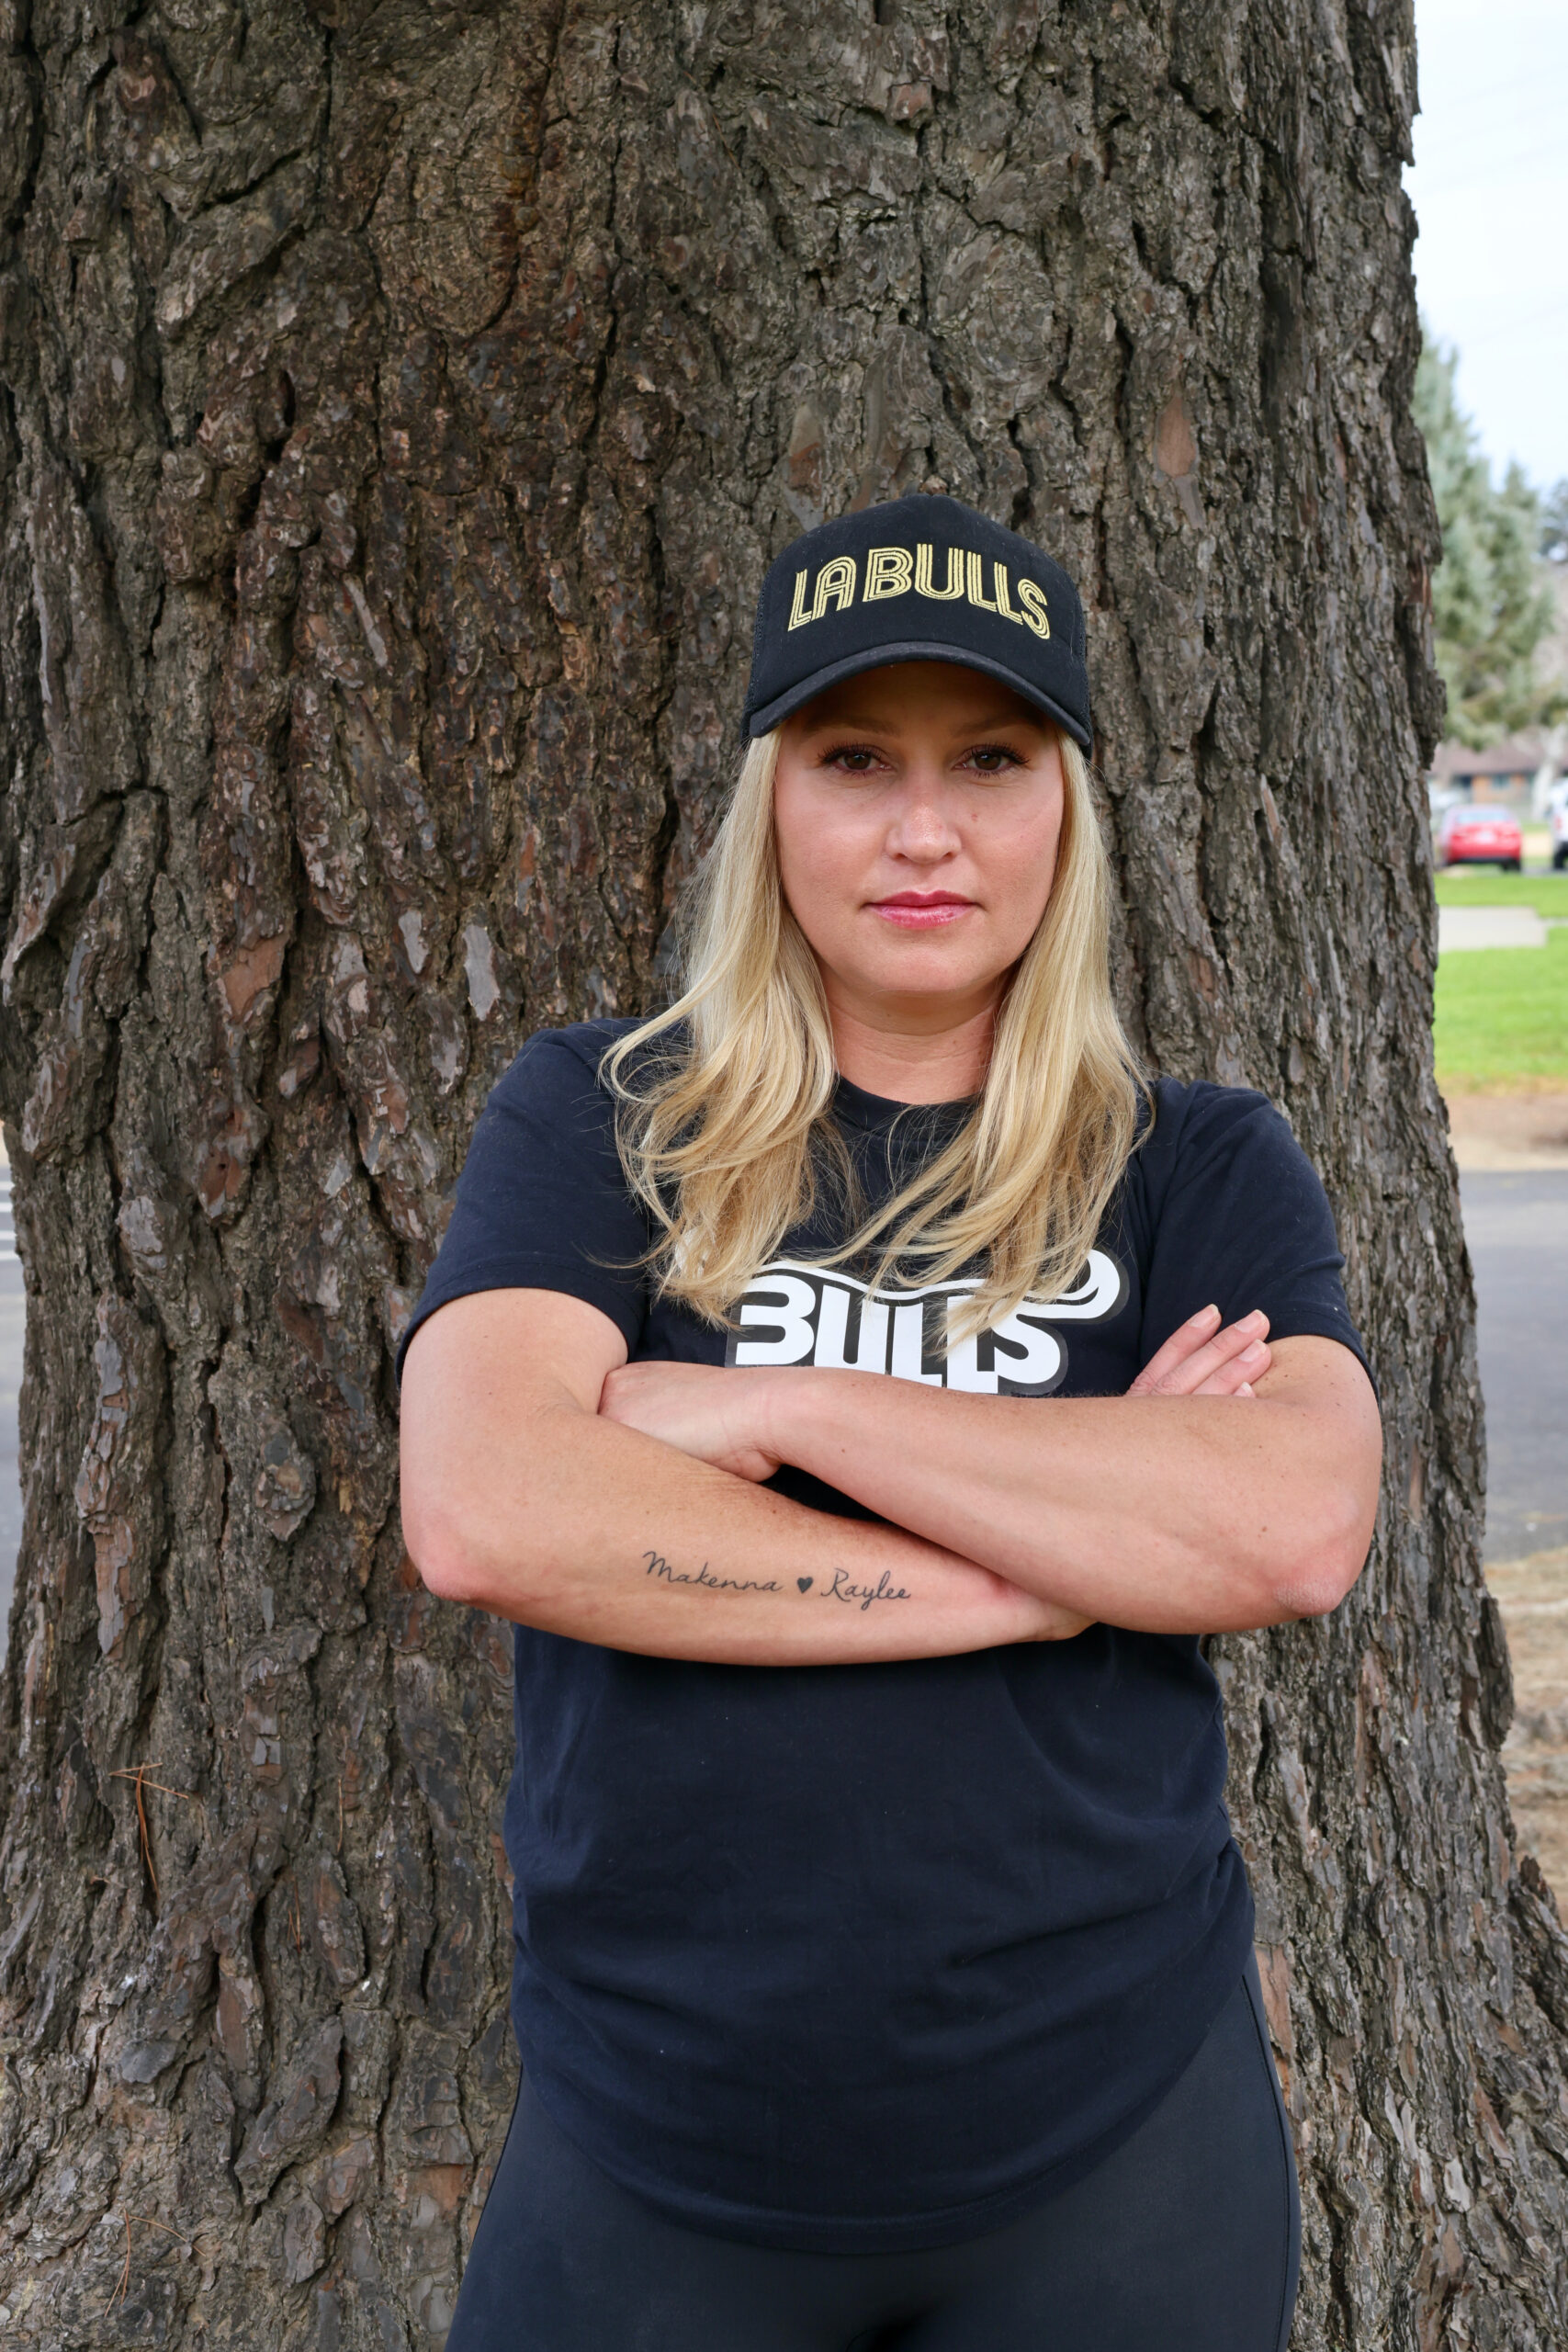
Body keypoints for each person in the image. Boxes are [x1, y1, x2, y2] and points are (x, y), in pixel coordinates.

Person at [399, 493, 1382, 2351]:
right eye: (855, 757)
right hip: (653, 2138)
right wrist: (1065, 1561)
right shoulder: (600, 1119)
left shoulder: (1193, 1163)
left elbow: (1284, 1528)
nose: (923, 828)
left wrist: (767, 1398)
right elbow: (490, 1505)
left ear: (1063, 812)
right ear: (771, 799)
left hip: (1109, 2145)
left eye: (988, 759)